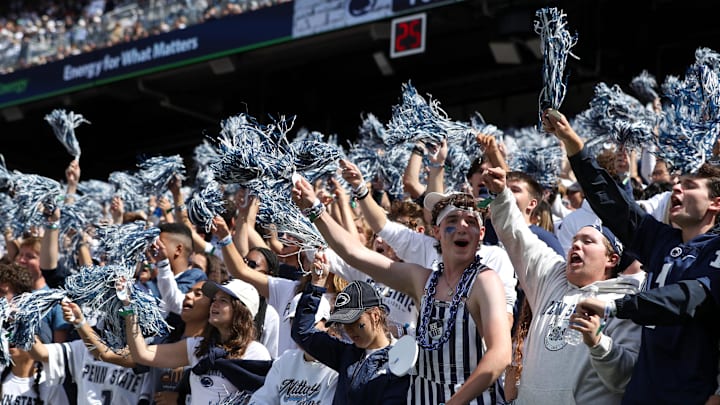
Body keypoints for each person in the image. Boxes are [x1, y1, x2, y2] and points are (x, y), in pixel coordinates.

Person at [543, 108, 720, 404]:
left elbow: (688, 296)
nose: (677, 187)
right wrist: (573, 144)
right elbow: (612, 203)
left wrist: (616, 306)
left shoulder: (716, 251)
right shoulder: (661, 241)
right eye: (678, 182)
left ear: (716, 203)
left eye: (689, 185)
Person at [291, 175, 511, 405]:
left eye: (471, 222)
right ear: (436, 232)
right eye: (453, 220)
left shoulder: (485, 281)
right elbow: (354, 254)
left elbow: (500, 355)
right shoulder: (421, 279)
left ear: (482, 235)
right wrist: (316, 209)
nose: (463, 227)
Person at [482, 166, 642, 404]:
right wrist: (500, 193)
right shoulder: (551, 278)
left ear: (612, 259)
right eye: (574, 241)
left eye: (588, 242)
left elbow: (625, 377)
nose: (576, 246)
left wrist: (598, 342)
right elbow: (518, 236)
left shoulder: (625, 303)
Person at [124, 278, 272, 404]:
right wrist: (129, 307)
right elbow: (141, 354)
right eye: (214, 300)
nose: (214, 304)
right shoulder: (198, 346)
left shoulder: (255, 352)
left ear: (241, 310)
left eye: (223, 300)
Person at [292, 268, 411, 404]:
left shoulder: (399, 360)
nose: (349, 330)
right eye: (344, 323)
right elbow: (302, 333)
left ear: (375, 315)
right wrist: (316, 284)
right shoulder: (346, 353)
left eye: (355, 322)